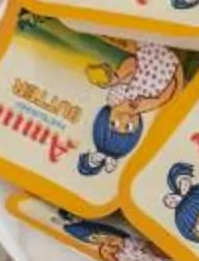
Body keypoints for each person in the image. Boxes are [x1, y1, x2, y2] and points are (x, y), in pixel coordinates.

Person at [75, 40, 182, 176]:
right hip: (169, 66)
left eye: (115, 123)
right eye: (130, 127)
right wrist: (151, 100)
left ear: (103, 118)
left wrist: (116, 78)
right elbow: (166, 93)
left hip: (149, 53)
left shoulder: (116, 96)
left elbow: (132, 63)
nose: (126, 118)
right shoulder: (143, 106)